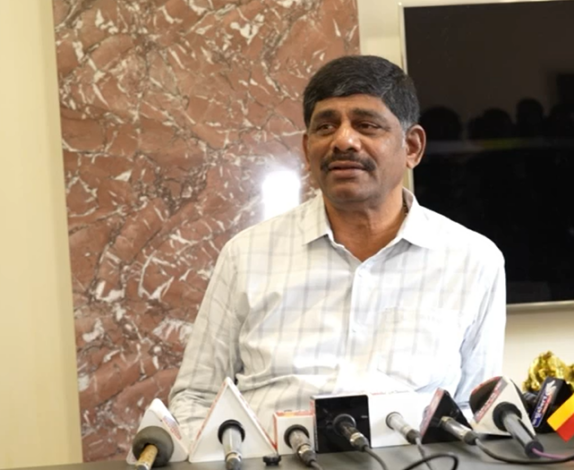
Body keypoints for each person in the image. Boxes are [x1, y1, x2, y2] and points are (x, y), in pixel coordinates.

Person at [168, 55, 507, 440]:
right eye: (326, 126)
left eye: (366, 125)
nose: (343, 140)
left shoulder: (473, 260)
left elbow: (475, 409)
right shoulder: (245, 256)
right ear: (307, 147)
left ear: (412, 147)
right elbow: (196, 398)